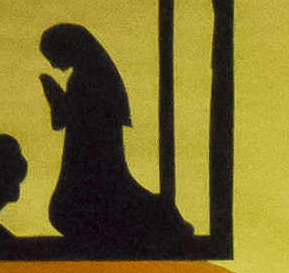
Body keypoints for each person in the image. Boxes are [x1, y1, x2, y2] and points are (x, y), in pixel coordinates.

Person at [36, 21, 190, 252]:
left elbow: (68, 119)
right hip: (88, 154)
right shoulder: (93, 74)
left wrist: (55, 96)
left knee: (70, 210)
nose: (53, 64)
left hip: (91, 155)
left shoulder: (86, 78)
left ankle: (159, 217)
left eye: (53, 56)